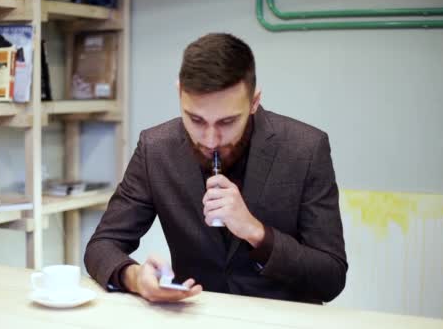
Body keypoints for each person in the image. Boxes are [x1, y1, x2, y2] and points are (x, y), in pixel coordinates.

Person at [84, 33, 347, 304]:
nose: (210, 140)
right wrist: (136, 278)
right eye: (196, 119)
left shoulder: (306, 149)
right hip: (196, 315)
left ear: (254, 102)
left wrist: (256, 232)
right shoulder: (155, 148)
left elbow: (331, 277)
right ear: (179, 94)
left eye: (227, 122)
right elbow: (101, 246)